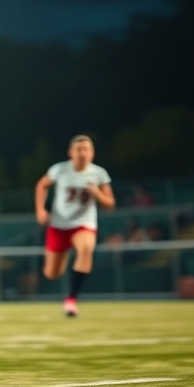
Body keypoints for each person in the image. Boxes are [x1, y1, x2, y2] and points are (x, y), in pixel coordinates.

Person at [34, 135, 115, 317]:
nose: (83, 153)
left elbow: (110, 204)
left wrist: (97, 193)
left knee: (86, 248)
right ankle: (65, 265)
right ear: (71, 153)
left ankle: (71, 300)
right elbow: (41, 185)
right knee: (52, 273)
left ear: (92, 153)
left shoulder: (98, 174)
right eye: (79, 149)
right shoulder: (60, 170)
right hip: (58, 225)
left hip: (83, 224)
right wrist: (40, 210)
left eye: (86, 149)